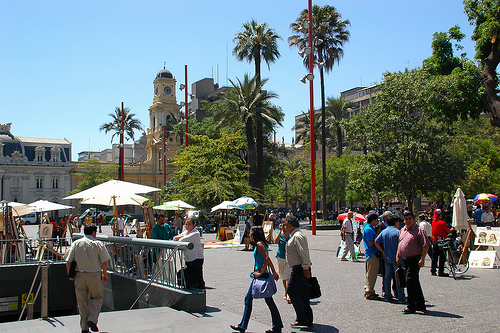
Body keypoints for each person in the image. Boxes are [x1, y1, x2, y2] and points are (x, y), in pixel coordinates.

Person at [230, 226, 282, 333]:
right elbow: (267, 259)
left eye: (250, 232)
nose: (249, 234)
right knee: (255, 300)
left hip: (261, 276)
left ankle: (244, 326)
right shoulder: (261, 244)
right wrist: (273, 272)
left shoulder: (259, 244)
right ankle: (276, 326)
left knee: (252, 300)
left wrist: (261, 272)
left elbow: (267, 258)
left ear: (254, 233)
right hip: (261, 275)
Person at [65, 224, 110, 333]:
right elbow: (104, 260)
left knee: (82, 302)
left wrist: (70, 275)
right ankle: (92, 319)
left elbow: (68, 261)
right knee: (96, 298)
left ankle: (84, 327)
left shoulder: (76, 243)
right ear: (94, 232)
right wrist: (105, 273)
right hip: (94, 275)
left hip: (80, 275)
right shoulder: (98, 244)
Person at [396, 211, 430, 314]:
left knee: (410, 280)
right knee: (414, 281)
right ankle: (420, 304)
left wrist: (422, 259)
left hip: (415, 258)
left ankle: (411, 305)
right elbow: (400, 243)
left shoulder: (419, 230)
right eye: (406, 219)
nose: (408, 221)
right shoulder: (403, 230)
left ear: (414, 219)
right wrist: (397, 255)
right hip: (405, 259)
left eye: (410, 219)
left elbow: (426, 245)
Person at [283, 215, 313, 328]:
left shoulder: (297, 236)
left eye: (286, 225)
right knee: (303, 293)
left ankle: (302, 318)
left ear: (290, 225)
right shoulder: (294, 235)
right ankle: (307, 318)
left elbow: (303, 252)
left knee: (292, 290)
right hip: (300, 267)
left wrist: (305, 267)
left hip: (300, 268)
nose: (284, 227)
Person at [375, 215, 406, 303]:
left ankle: (387, 295)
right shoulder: (398, 232)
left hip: (387, 257)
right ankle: (401, 297)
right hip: (397, 258)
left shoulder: (384, 232)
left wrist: (383, 251)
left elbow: (376, 242)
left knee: (387, 277)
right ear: (396, 222)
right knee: (398, 277)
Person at [174, 218, 205, 289]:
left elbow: (181, 240)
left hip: (196, 258)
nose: (187, 226)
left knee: (197, 278)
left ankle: (200, 291)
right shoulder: (186, 232)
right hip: (189, 258)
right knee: (191, 277)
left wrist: (181, 237)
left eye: (189, 224)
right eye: (186, 224)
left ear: (194, 225)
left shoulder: (196, 233)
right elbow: (175, 238)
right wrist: (181, 237)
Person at [431, 209, 454, 277]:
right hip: (442, 241)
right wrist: (452, 230)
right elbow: (448, 231)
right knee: (442, 256)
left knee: (434, 257)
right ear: (440, 215)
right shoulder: (442, 222)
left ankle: (433, 270)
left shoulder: (433, 221)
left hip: (435, 241)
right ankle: (441, 271)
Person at [362, 212, 380, 300]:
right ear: (373, 220)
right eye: (377, 220)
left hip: (371, 253)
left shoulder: (370, 228)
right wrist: (378, 234)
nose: (378, 221)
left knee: (370, 273)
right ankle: (369, 291)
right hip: (371, 253)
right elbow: (371, 242)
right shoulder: (368, 229)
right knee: (372, 274)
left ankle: (368, 288)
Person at [274, 219, 291, 302]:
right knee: (283, 276)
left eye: (285, 225)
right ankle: (286, 292)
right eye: (283, 225)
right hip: (280, 256)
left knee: (287, 275)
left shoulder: (290, 234)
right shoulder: (278, 233)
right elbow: (276, 241)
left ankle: (288, 293)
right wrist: (280, 231)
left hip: (289, 257)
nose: (284, 227)